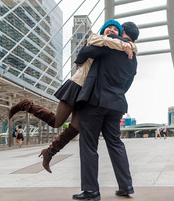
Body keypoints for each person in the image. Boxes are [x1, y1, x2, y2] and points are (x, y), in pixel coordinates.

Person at [8, 20, 137, 173]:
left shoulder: (112, 48)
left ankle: (49, 153)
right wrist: (126, 45)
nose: (112, 30)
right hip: (77, 86)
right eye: (109, 27)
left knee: (76, 127)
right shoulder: (96, 41)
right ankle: (25, 105)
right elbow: (89, 47)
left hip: (89, 94)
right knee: (57, 121)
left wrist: (130, 45)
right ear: (103, 30)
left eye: (116, 29)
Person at [72, 22, 139, 200]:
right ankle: (126, 185)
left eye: (118, 30)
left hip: (96, 101)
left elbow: (85, 52)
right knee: (115, 143)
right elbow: (127, 85)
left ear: (122, 32)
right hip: (116, 104)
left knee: (89, 145)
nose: (114, 32)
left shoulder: (111, 44)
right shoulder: (134, 58)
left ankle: (91, 190)